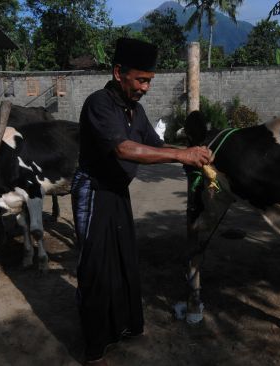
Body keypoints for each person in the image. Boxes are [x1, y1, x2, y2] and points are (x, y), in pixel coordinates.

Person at [70, 37, 212, 365]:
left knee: (122, 262)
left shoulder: (136, 110)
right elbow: (125, 149)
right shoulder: (99, 104)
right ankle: (94, 348)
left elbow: (154, 143)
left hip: (117, 193)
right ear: (119, 72)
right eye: (141, 80)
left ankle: (125, 327)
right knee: (95, 268)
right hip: (93, 192)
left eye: (150, 80)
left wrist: (191, 154)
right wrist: (180, 155)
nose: (146, 87)